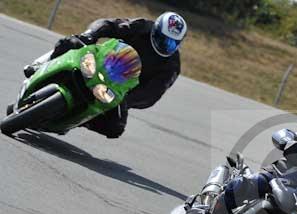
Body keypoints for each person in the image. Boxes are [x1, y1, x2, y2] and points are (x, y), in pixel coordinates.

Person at [24, 12, 187, 138]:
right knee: (70, 43)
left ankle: (80, 120)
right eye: (163, 39)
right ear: (156, 30)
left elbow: (152, 93)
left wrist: (127, 100)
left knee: (115, 127)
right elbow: (109, 24)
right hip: (101, 60)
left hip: (119, 89)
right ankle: (40, 65)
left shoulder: (172, 66)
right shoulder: (142, 26)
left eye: (172, 42)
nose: (166, 45)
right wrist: (91, 34)